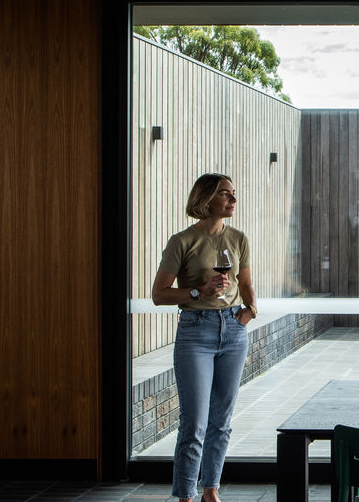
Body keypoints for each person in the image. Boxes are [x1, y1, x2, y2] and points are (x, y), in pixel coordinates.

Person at [151, 173, 257, 502]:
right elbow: (159, 294)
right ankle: (185, 494)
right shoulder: (181, 242)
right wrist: (199, 289)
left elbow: (246, 282)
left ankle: (211, 491)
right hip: (196, 330)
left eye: (233, 194)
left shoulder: (238, 238)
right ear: (205, 199)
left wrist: (251, 309)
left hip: (233, 329)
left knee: (222, 420)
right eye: (225, 194)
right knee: (195, 422)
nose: (233, 200)